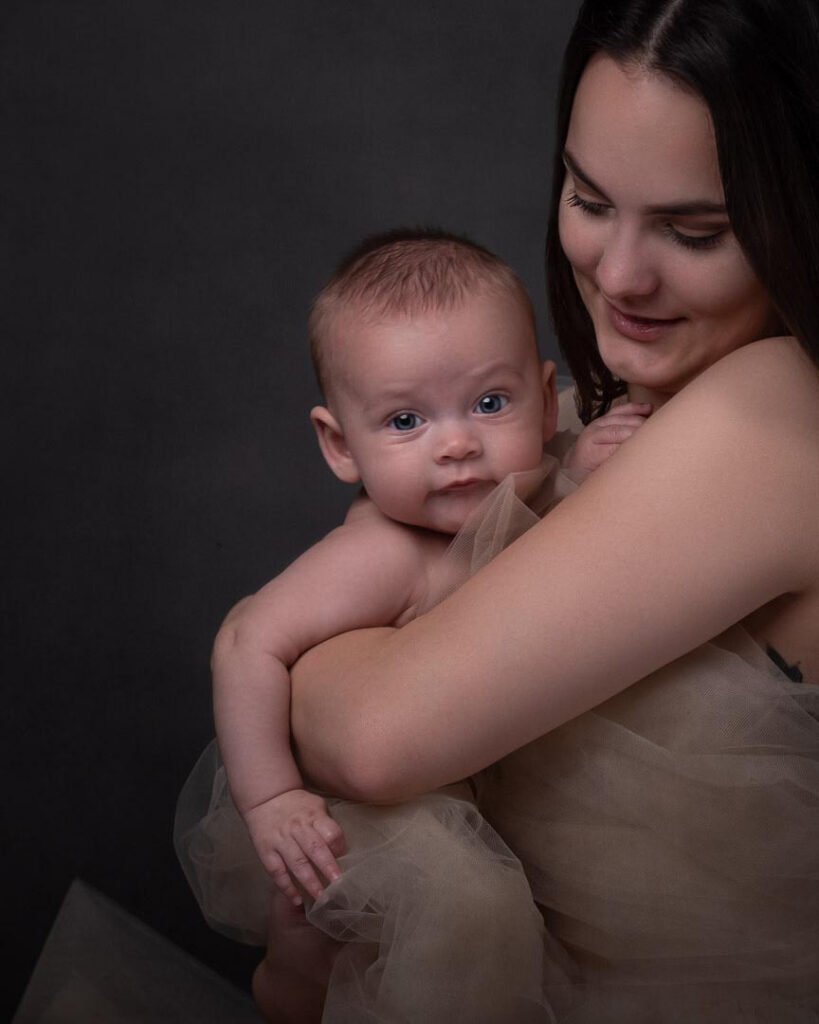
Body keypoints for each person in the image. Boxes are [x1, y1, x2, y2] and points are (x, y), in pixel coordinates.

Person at [241, 0, 818, 1019]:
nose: (620, 275)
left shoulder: (774, 409)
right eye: (590, 199)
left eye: (695, 230)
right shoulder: (640, 413)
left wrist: (332, 628)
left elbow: (375, 737)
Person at [175, 228, 648, 1021]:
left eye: (490, 404)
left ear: (542, 395)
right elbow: (244, 640)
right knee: (344, 946)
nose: (458, 444)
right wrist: (273, 800)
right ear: (339, 445)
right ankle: (287, 986)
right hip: (373, 820)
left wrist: (573, 462)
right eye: (404, 422)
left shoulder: (519, 483)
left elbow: (525, 517)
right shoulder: (382, 555)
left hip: (478, 777)